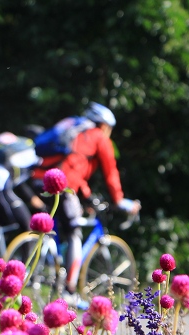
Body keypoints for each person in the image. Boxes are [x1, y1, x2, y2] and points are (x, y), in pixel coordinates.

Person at [34, 102, 141, 304]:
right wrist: (119, 201)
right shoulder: (98, 136)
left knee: (53, 226)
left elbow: (73, 165)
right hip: (62, 185)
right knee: (75, 233)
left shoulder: (75, 131)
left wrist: (87, 194)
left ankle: (52, 266)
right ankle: (70, 290)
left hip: (39, 179)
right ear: (104, 125)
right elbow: (111, 172)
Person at [0, 132, 45, 232]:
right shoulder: (29, 159)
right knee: (26, 224)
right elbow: (22, 187)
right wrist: (42, 207)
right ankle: (29, 247)